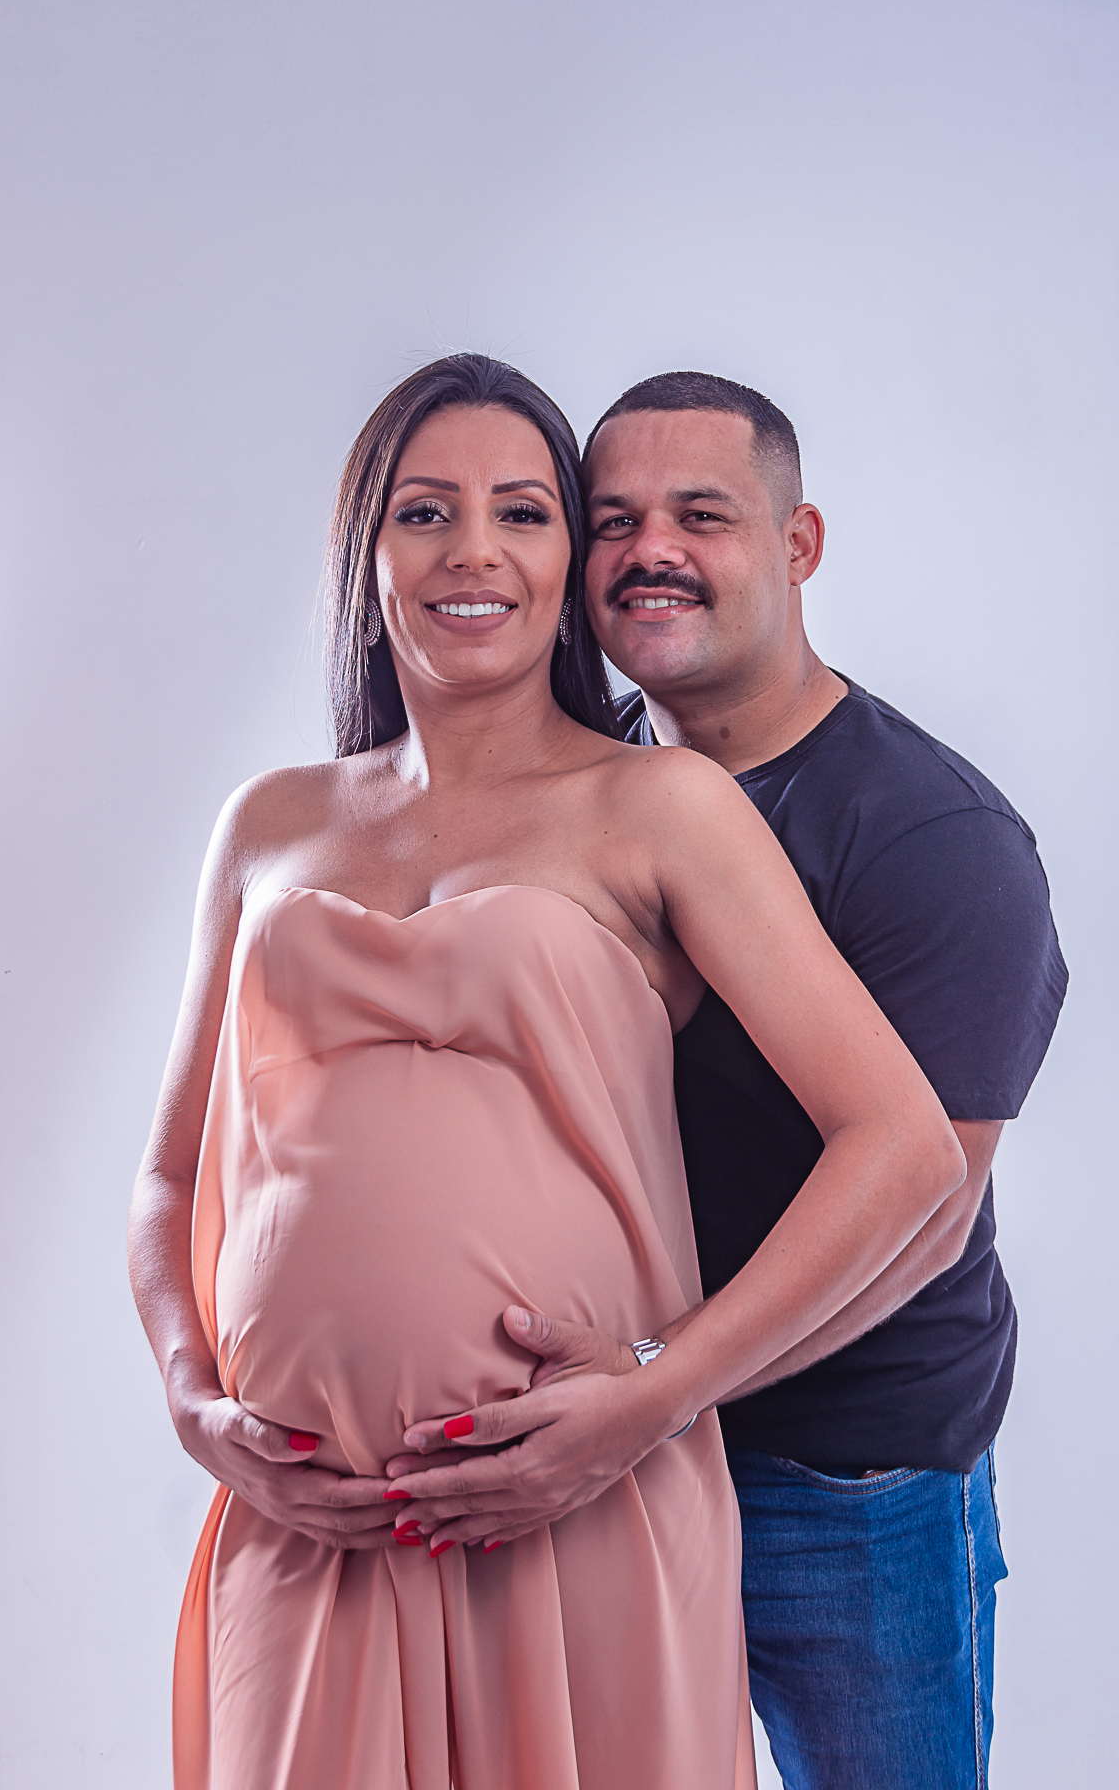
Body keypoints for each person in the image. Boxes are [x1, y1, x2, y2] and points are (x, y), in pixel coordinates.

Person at [128, 354, 968, 1790]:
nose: (473, 550)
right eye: (424, 512)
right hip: (311, 1525)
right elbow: (166, 1177)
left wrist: (653, 1394)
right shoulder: (266, 823)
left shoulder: (660, 806)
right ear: (364, 554)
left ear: (570, 568)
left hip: (578, 1501)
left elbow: (902, 1142)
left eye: (522, 513)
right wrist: (195, 1406)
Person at [388, 372, 1067, 1790]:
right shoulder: (578, 789)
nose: (653, 551)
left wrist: (655, 1390)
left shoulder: (933, 836)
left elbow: (923, 1207)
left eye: (702, 516)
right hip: (598, 1450)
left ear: (797, 543)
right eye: (614, 519)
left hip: (846, 1481)